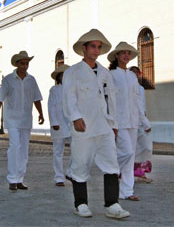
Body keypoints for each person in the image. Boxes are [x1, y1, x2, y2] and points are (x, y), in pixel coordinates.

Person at [62, 29, 130, 219]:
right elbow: (68, 97)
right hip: (83, 127)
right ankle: (80, 204)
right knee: (81, 164)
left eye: (99, 47)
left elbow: (111, 99)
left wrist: (114, 123)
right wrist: (75, 117)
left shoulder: (104, 73)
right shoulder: (73, 72)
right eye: (93, 46)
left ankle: (112, 204)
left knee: (111, 164)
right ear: (84, 48)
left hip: (104, 126)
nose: (96, 50)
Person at [0, 51, 44, 192]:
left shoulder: (31, 80)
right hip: (12, 120)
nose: (25, 66)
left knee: (24, 150)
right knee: (14, 147)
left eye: (27, 63)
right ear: (17, 64)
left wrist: (41, 113)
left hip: (26, 119)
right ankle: (12, 179)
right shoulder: (8, 80)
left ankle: (20, 178)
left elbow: (36, 98)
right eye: (22, 63)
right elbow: (0, 99)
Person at [108, 42, 146, 201]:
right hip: (119, 120)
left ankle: (127, 191)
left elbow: (138, 99)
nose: (125, 55)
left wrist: (143, 120)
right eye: (122, 53)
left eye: (128, 53)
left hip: (133, 120)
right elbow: (108, 99)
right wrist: (111, 121)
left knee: (130, 156)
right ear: (116, 56)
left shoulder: (132, 76)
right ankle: (110, 167)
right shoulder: (110, 75)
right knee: (127, 153)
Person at [48, 64, 72, 187]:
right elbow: (51, 107)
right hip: (59, 124)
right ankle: (58, 177)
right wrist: (54, 122)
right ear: (58, 77)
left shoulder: (73, 89)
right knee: (58, 151)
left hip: (72, 124)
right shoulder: (54, 90)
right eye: (63, 75)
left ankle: (71, 172)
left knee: (77, 150)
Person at [129, 66, 153, 183]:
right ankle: (129, 173)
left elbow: (142, 105)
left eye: (136, 73)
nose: (135, 75)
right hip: (132, 121)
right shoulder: (128, 88)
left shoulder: (141, 89)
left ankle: (141, 171)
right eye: (132, 73)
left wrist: (145, 119)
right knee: (131, 149)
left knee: (147, 147)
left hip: (142, 121)